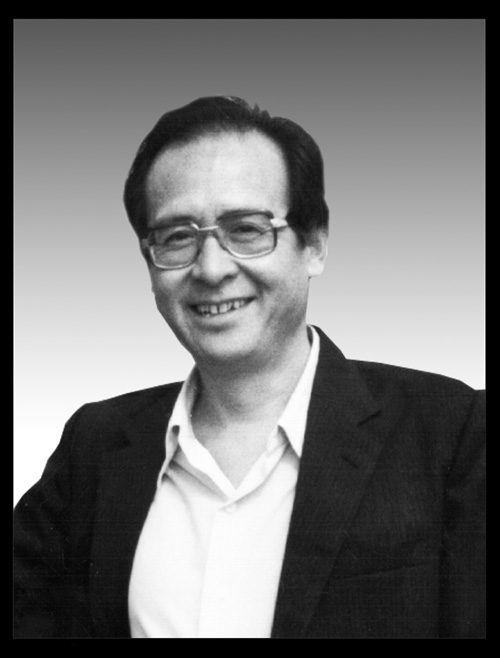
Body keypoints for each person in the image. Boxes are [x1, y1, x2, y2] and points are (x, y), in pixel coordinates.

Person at [13, 96, 485, 639]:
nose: (211, 269)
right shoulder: (94, 446)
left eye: (246, 229)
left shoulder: (452, 433)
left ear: (314, 244)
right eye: (177, 237)